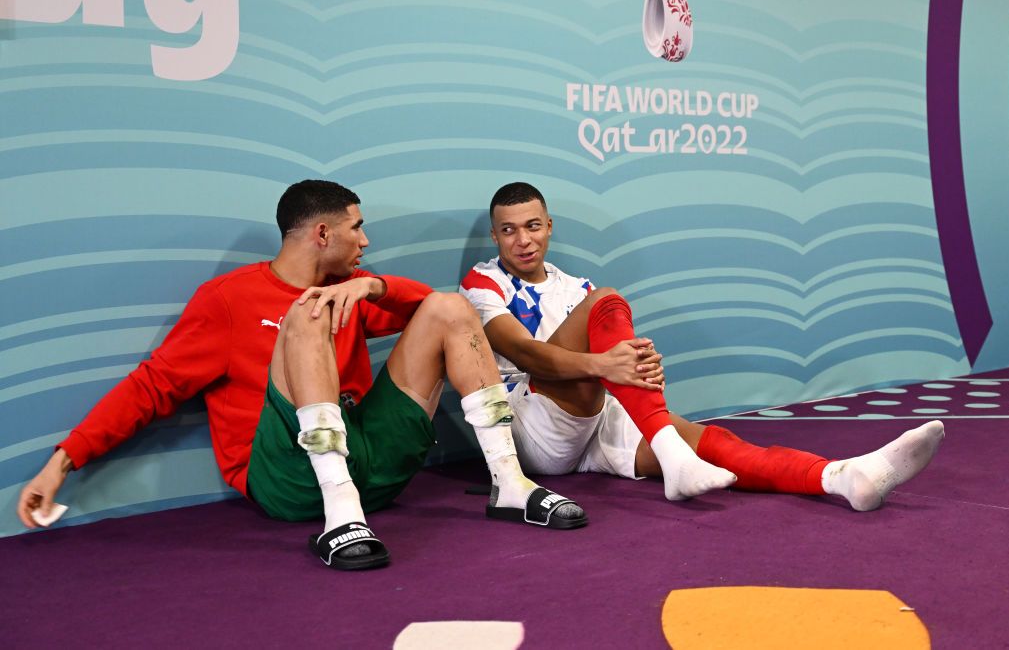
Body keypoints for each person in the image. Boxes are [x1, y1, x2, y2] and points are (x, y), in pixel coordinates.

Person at [17, 179, 586, 572]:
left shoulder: (350, 290)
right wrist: (62, 461)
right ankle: (340, 517)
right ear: (321, 234)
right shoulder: (230, 299)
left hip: (373, 462)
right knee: (306, 314)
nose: (365, 242)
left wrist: (373, 286)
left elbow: (439, 315)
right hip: (286, 480)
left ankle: (510, 485)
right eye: (357, 229)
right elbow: (151, 388)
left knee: (450, 307)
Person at [459, 182, 945, 511]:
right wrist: (605, 363)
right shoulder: (482, 282)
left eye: (533, 226)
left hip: (590, 422)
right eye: (509, 230)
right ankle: (674, 457)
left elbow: (607, 363)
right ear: (495, 235)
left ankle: (842, 477)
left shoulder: (573, 285)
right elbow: (524, 353)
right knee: (607, 302)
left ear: (549, 225)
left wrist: (634, 365)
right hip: (529, 422)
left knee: (717, 446)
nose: (523, 240)